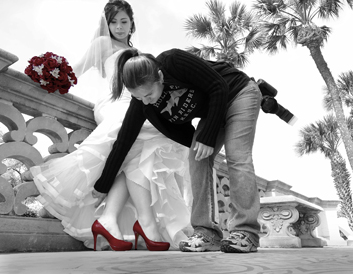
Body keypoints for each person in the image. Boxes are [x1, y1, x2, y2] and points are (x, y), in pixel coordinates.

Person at [27, 0, 192, 252]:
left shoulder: (136, 51)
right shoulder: (102, 44)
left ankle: (110, 220)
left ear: (132, 22)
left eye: (123, 21)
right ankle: (138, 223)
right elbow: (75, 72)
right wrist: (48, 72)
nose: (118, 27)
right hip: (114, 104)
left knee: (141, 153)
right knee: (139, 143)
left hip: (137, 104)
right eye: (113, 22)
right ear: (106, 24)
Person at [93, 47, 262, 253]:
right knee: (197, 158)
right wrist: (103, 185)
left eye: (148, 94)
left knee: (237, 156)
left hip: (238, 92)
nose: (146, 101)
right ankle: (206, 233)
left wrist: (207, 137)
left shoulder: (173, 61)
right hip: (213, 111)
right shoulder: (143, 103)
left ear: (160, 77)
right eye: (138, 98)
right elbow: (123, 141)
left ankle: (246, 232)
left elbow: (218, 86)